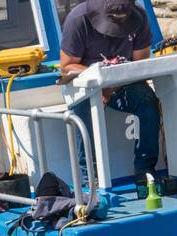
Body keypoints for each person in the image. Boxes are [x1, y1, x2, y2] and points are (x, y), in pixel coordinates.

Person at [58, 0, 160, 184]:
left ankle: (145, 170)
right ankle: (90, 177)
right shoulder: (78, 20)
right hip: (86, 84)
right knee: (82, 108)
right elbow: (66, 67)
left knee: (147, 100)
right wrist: (102, 82)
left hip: (122, 82)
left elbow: (139, 65)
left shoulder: (140, 15)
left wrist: (113, 84)